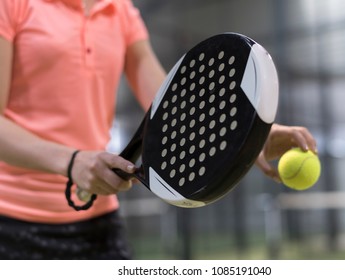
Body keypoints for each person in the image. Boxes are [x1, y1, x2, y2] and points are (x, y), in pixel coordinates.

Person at [0, 0, 317, 259]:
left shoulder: (120, 10)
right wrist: (72, 162)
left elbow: (168, 104)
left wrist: (252, 132)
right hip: (12, 222)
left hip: (98, 219)